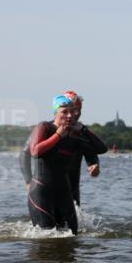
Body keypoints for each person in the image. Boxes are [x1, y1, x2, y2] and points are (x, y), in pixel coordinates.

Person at [27, 95, 103, 234]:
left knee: (72, 234)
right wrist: (58, 136)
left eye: (72, 112)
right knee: (46, 236)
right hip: (42, 191)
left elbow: (101, 148)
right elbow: (34, 151)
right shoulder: (45, 127)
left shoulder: (75, 134)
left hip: (64, 191)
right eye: (64, 112)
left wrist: (84, 130)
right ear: (55, 113)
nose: (69, 115)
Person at [19, 90, 106, 205]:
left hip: (72, 189)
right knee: (47, 221)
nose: (75, 114)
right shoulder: (46, 129)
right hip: (47, 187)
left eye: (78, 110)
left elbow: (96, 151)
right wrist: (28, 182)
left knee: (75, 221)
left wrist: (94, 165)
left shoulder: (81, 132)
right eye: (72, 109)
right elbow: (24, 155)